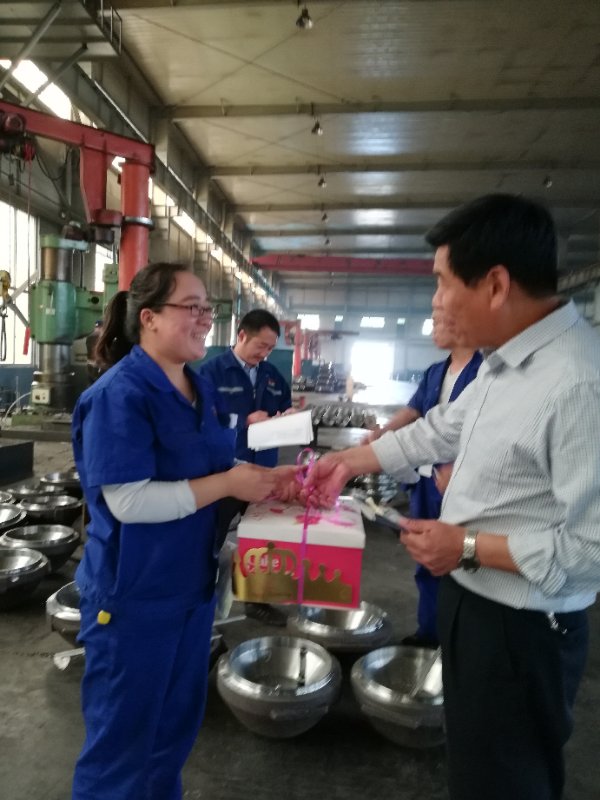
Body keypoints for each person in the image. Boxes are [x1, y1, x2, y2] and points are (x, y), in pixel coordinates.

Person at [300, 194, 600, 800]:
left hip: (523, 629)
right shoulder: (503, 363)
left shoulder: (577, 384)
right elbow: (441, 428)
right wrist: (347, 462)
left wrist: (466, 546)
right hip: (473, 603)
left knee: (509, 779)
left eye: (441, 282)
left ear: (495, 284)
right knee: (477, 769)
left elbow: (591, 549)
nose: (435, 300)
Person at [70, 263, 292, 800]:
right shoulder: (119, 395)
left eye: (207, 310)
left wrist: (268, 481)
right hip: (134, 599)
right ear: (149, 318)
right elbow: (128, 501)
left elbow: (215, 463)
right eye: (192, 308)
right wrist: (229, 483)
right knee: (123, 745)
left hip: (191, 591)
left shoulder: (200, 387)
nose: (205, 319)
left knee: (171, 732)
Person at [364, 315, 481, 647]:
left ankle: (458, 641)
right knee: (426, 557)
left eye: (441, 320)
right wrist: (383, 434)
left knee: (461, 560)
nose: (433, 328)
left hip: (461, 485)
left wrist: (464, 468)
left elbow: (488, 430)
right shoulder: (436, 372)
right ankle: (429, 632)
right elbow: (414, 411)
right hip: (427, 481)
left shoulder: (485, 371)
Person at [199, 308, 293, 626]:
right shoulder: (212, 372)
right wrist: (244, 421)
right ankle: (202, 604)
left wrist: (287, 418)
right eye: (261, 345)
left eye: (270, 348)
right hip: (226, 471)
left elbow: (285, 407)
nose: (265, 353)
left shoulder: (272, 375)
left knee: (264, 539)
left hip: (264, 468)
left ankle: (258, 602)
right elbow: (202, 420)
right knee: (211, 538)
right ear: (241, 335)